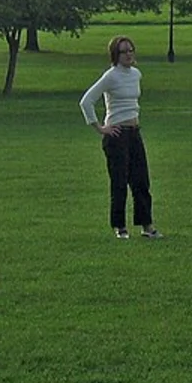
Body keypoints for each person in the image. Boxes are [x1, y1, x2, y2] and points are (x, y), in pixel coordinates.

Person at [79, 35, 161, 240]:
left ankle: (147, 226)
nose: (128, 55)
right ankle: (120, 227)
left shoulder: (136, 74)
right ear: (115, 55)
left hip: (134, 132)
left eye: (131, 50)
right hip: (117, 135)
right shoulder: (111, 76)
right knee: (119, 182)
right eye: (124, 51)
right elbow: (86, 101)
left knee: (141, 181)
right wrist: (100, 128)